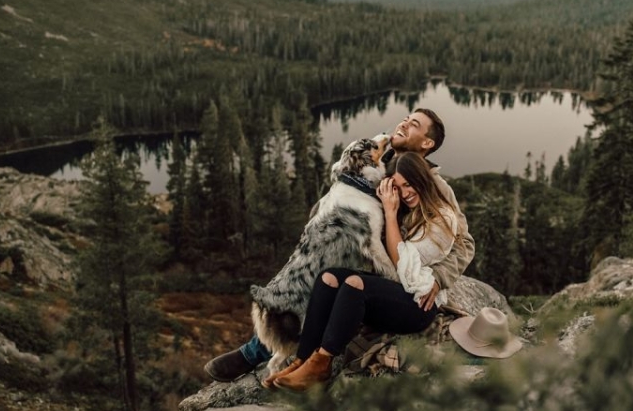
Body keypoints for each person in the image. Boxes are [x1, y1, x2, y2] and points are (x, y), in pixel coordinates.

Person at [204, 108, 476, 382]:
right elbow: (343, 192)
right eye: (406, 118)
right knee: (309, 276)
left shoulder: (435, 185)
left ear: (427, 143)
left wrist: (440, 279)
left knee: (330, 286)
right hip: (353, 255)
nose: (404, 123)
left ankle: (257, 356)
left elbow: (464, 242)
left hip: (395, 269)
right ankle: (273, 355)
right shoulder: (378, 159)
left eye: (414, 124)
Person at [262, 151, 458, 391]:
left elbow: (403, 267)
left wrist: (389, 212)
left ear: (422, 179)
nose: (405, 193)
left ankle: (322, 364)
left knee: (355, 284)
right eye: (397, 187)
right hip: (397, 291)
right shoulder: (408, 210)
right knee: (329, 278)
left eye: (409, 184)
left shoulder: (443, 218)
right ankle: (303, 360)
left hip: (418, 305)